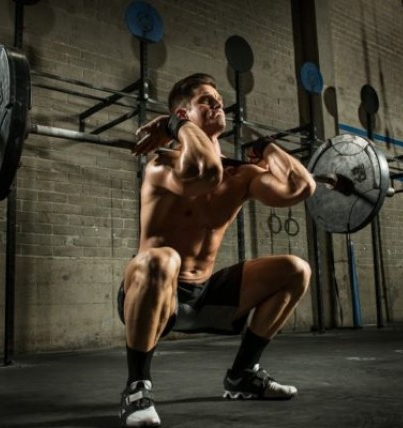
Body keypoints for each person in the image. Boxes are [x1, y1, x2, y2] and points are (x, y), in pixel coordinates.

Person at [118, 73, 317, 427]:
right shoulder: (162, 165)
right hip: (155, 292)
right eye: (207, 101)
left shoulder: (240, 176)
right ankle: (136, 389)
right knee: (163, 258)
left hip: (205, 296)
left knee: (296, 269)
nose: (218, 104)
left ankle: (243, 375)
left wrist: (268, 148)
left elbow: (301, 187)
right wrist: (173, 126)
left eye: (219, 101)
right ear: (184, 112)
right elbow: (204, 172)